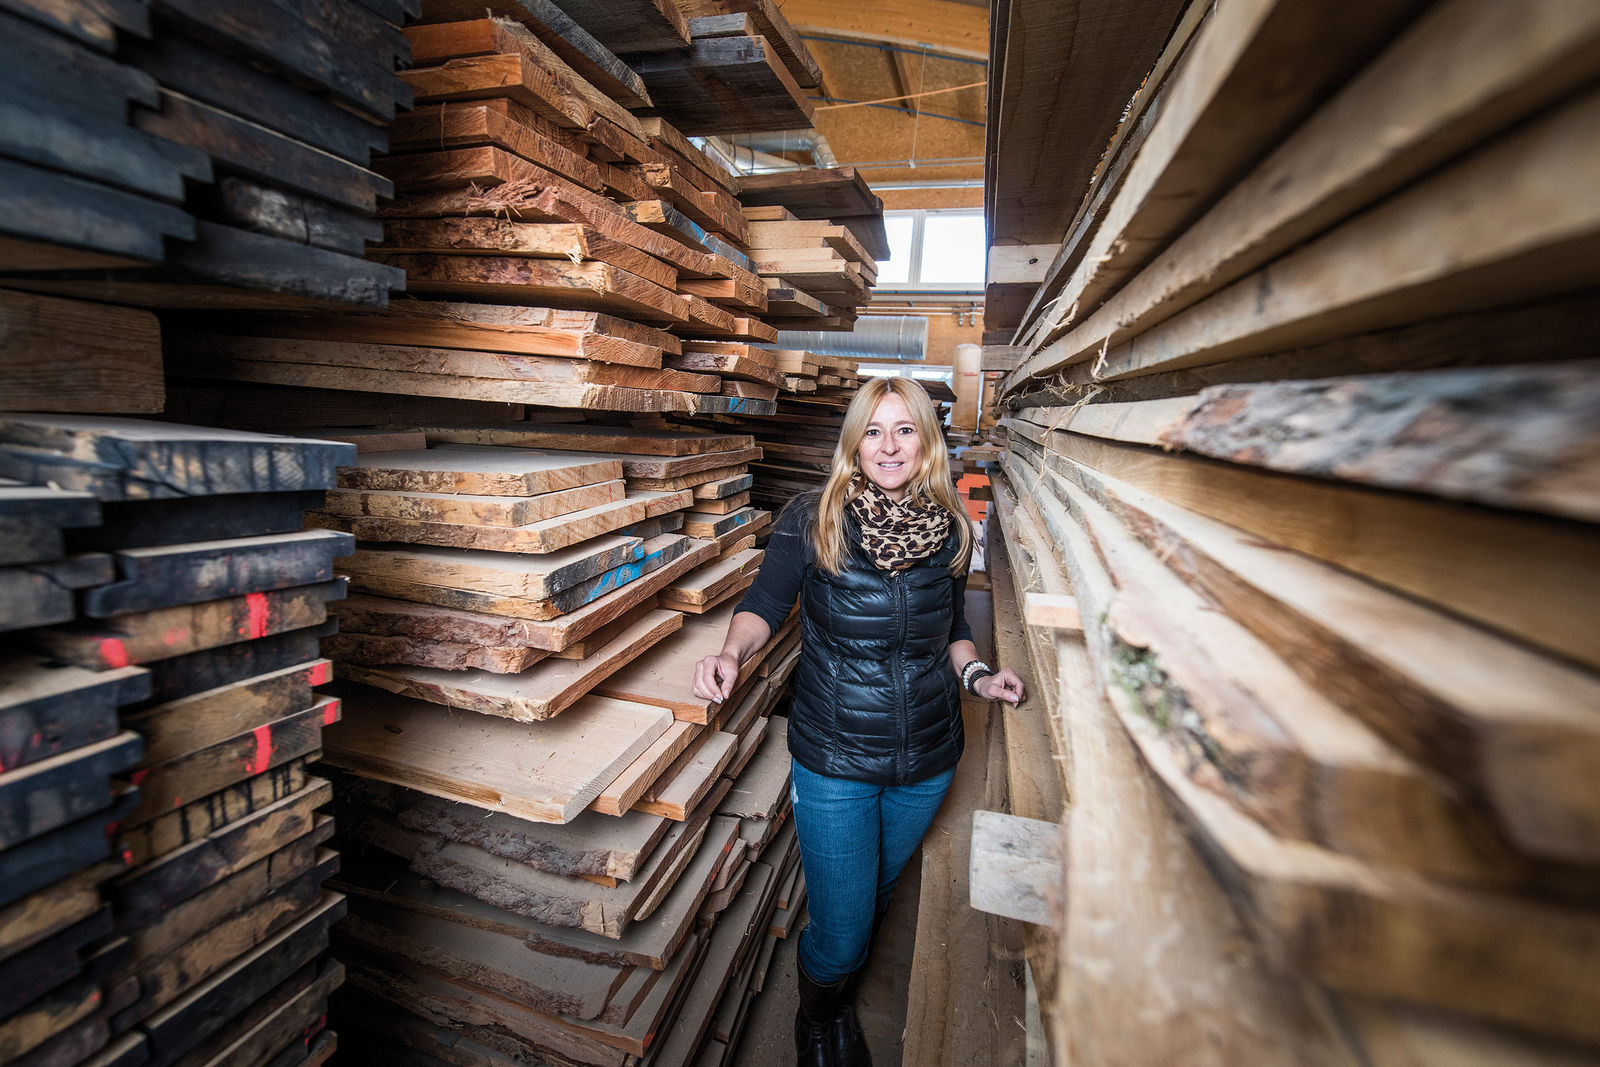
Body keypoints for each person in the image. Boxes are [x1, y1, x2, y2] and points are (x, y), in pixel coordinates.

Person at [692, 377, 1025, 1067]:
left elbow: (955, 629)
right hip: (837, 759)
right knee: (842, 934)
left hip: (927, 760)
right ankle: (819, 1020)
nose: (889, 445)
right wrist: (729, 652)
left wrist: (978, 676)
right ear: (855, 442)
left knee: (871, 895)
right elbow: (763, 603)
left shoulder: (951, 528)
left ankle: (837, 999)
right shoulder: (814, 516)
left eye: (904, 429)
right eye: (873, 430)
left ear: (925, 441)